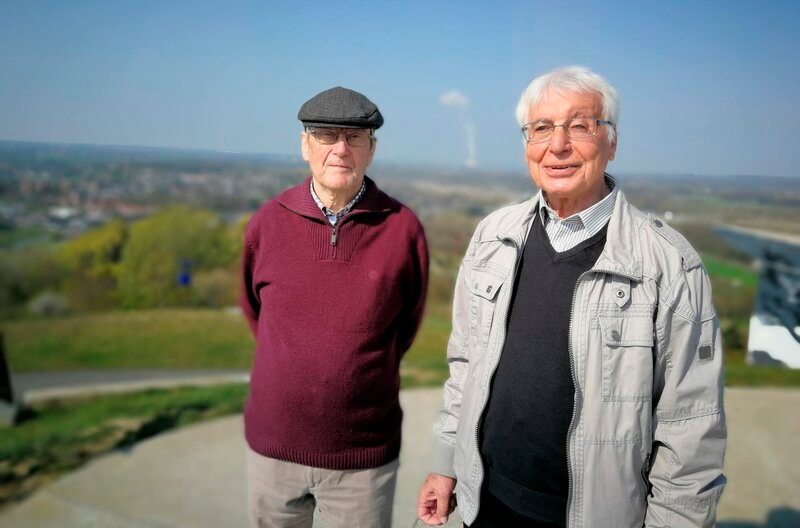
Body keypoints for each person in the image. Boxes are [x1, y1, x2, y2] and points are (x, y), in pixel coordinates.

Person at [417, 66, 726, 528]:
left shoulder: (669, 264)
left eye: (580, 126)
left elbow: (691, 426)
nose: (557, 146)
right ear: (526, 144)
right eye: (541, 128)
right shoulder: (493, 237)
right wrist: (446, 462)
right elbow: (465, 364)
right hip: (485, 504)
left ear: (612, 141)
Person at [241, 86, 429, 528]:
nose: (340, 148)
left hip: (362, 457)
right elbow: (255, 312)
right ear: (305, 145)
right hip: (274, 449)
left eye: (355, 137)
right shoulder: (267, 223)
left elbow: (406, 328)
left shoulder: (402, 230)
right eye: (326, 135)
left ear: (372, 149)